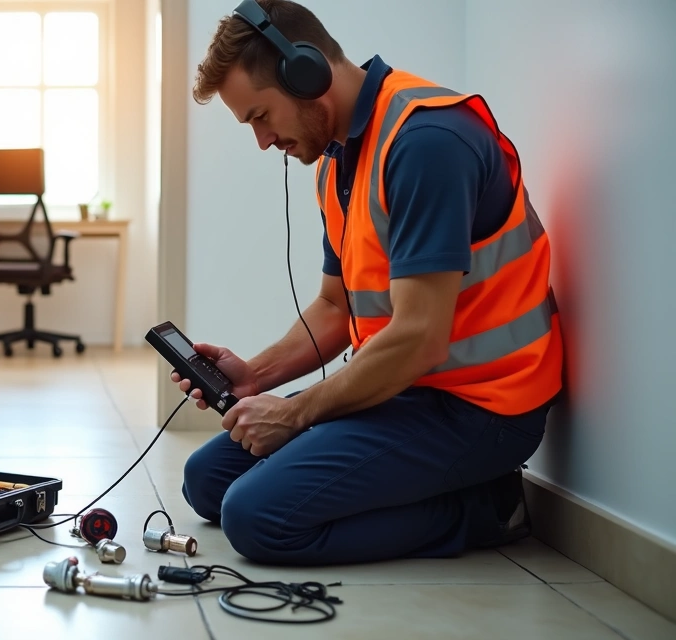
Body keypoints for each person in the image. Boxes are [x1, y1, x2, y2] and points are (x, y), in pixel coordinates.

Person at [173, 0, 564, 566]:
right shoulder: (339, 159)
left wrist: (297, 411)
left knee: (257, 518)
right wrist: (256, 375)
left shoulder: (426, 142)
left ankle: (488, 506)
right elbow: (336, 306)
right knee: (206, 480)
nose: (262, 142)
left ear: (304, 74)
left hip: (482, 409)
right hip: (403, 390)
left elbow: (419, 338)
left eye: (260, 116)